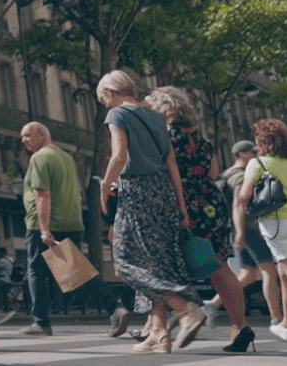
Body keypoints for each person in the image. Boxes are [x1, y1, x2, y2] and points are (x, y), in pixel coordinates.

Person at [94, 69, 206, 352]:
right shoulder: (156, 116)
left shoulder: (117, 115)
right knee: (155, 262)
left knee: (125, 260)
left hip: (137, 191)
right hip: (164, 192)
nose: (104, 105)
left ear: (110, 92)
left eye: (102, 99)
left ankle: (185, 307)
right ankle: (160, 334)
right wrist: (180, 203)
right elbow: (171, 162)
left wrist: (105, 186)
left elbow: (119, 155)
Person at [144, 85, 255, 351]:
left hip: (180, 204)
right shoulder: (200, 139)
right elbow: (213, 171)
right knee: (219, 266)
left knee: (161, 266)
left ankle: (166, 326)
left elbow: (162, 172)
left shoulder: (162, 136)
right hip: (210, 203)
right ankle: (240, 326)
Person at [234, 118, 287, 345]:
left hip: (276, 224)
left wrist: (240, 203)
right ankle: (286, 324)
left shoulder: (259, 163)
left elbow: (245, 195)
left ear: (263, 141)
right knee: (285, 273)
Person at [16, 121, 94, 335]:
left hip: (45, 224)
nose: (24, 140)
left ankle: (41, 322)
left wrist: (43, 229)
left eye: (27, 135)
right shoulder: (67, 158)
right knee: (75, 274)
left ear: (41, 135)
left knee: (37, 273)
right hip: (71, 222)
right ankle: (114, 309)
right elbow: (77, 196)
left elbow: (42, 194)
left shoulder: (39, 158)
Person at [219, 141, 285, 338]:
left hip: (238, 229)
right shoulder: (240, 176)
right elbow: (239, 205)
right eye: (252, 152)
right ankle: (276, 318)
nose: (256, 155)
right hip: (249, 228)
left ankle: (212, 304)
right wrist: (240, 231)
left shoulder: (225, 175)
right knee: (269, 272)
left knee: (247, 274)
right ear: (241, 154)